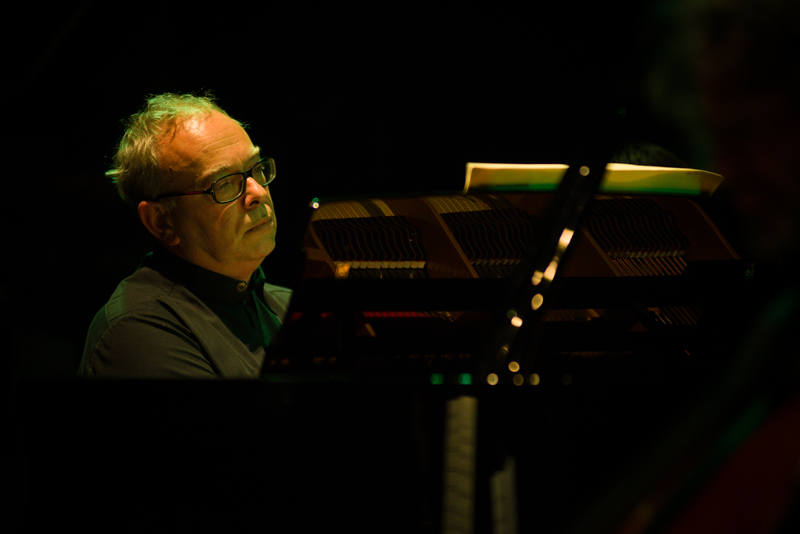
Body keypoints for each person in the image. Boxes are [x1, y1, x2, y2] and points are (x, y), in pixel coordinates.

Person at [80, 93, 291, 378]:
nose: (258, 192)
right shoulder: (138, 332)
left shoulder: (289, 305)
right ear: (161, 222)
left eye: (256, 168)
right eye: (223, 184)